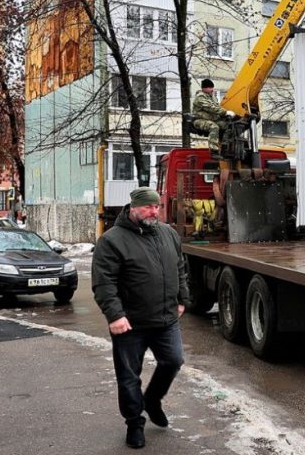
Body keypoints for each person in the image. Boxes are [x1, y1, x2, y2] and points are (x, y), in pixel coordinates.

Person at [92, 187, 189, 449]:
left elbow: (179, 267)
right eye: (148, 207)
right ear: (133, 207)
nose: (154, 212)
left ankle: (153, 399)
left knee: (173, 360)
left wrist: (182, 299)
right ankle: (134, 423)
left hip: (165, 319)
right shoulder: (113, 240)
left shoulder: (168, 234)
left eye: (156, 207)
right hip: (129, 323)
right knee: (128, 376)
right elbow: (104, 282)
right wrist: (114, 315)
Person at [192, 79, 235, 155]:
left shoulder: (212, 96)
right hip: (199, 120)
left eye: (212, 87)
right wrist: (225, 112)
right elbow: (210, 108)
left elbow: (217, 106)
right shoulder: (200, 97)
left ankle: (225, 146)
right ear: (204, 88)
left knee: (228, 126)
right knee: (214, 127)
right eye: (210, 87)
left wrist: (226, 115)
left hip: (212, 119)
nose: (212, 89)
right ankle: (213, 150)